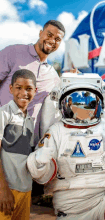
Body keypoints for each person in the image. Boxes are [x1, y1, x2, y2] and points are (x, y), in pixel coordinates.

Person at [26, 73, 105, 220]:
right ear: (65, 105)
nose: (82, 109)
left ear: (98, 105)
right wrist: (39, 164)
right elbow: (43, 175)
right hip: (71, 205)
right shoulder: (56, 130)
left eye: (90, 103)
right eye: (76, 103)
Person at [0, 19, 65, 200]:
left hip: (27, 143)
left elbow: (61, 97)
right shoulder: (13, 52)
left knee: (19, 197)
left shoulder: (52, 74)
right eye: (49, 34)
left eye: (57, 39)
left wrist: (71, 78)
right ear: (40, 33)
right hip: (3, 134)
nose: (52, 40)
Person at [0, 69, 37, 219]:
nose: (24, 93)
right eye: (18, 88)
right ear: (11, 89)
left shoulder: (30, 120)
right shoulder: (4, 114)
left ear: (35, 91)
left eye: (29, 89)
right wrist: (2, 189)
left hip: (25, 190)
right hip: (6, 190)